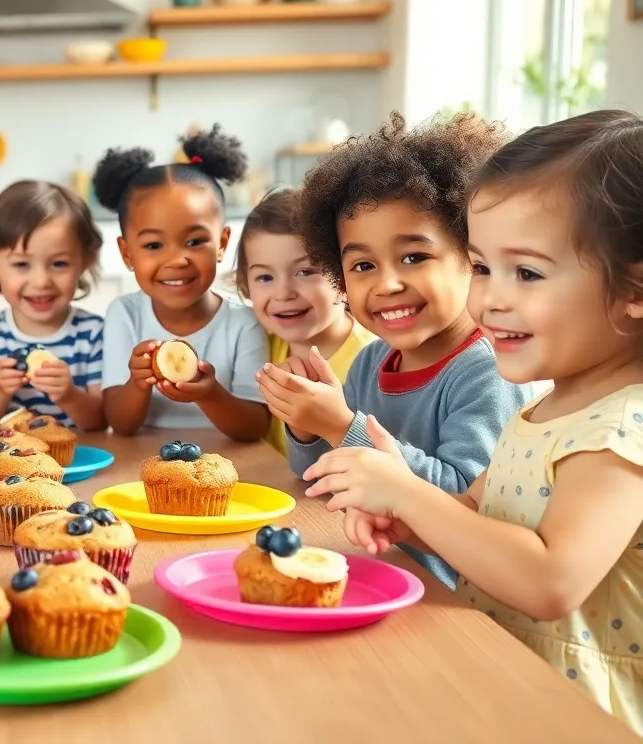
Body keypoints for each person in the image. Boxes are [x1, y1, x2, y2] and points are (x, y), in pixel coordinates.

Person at [303, 110, 643, 733]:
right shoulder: (544, 409)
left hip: (579, 718)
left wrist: (405, 488)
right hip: (498, 682)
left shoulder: (622, 431)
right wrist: (400, 513)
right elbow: (472, 522)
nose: (490, 299)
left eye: (529, 272)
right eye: (483, 267)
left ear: (634, 289)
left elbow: (549, 581)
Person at [258, 112, 535, 588]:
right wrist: (306, 429)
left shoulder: (488, 372)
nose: (386, 283)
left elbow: (460, 503)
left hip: (453, 602)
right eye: (363, 264)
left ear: (474, 256)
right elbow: (317, 479)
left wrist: (340, 425)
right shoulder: (372, 361)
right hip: (379, 575)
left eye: (414, 257)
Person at [96, 125, 269, 440]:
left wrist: (209, 393)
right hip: (144, 463)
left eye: (194, 241)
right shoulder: (124, 314)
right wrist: (137, 384)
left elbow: (254, 427)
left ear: (222, 243)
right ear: (126, 253)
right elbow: (120, 425)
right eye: (153, 245)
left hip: (229, 463)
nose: (176, 260)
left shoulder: (244, 321)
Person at [231, 186, 373, 456]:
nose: (283, 293)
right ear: (246, 285)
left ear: (344, 277)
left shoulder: (373, 360)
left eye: (305, 272)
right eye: (265, 277)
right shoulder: (255, 343)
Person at [0, 180, 106, 431]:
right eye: (21, 265)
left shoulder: (94, 333)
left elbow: (100, 422)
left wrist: (69, 395)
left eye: (59, 263)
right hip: (12, 459)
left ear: (85, 262)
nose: (41, 282)